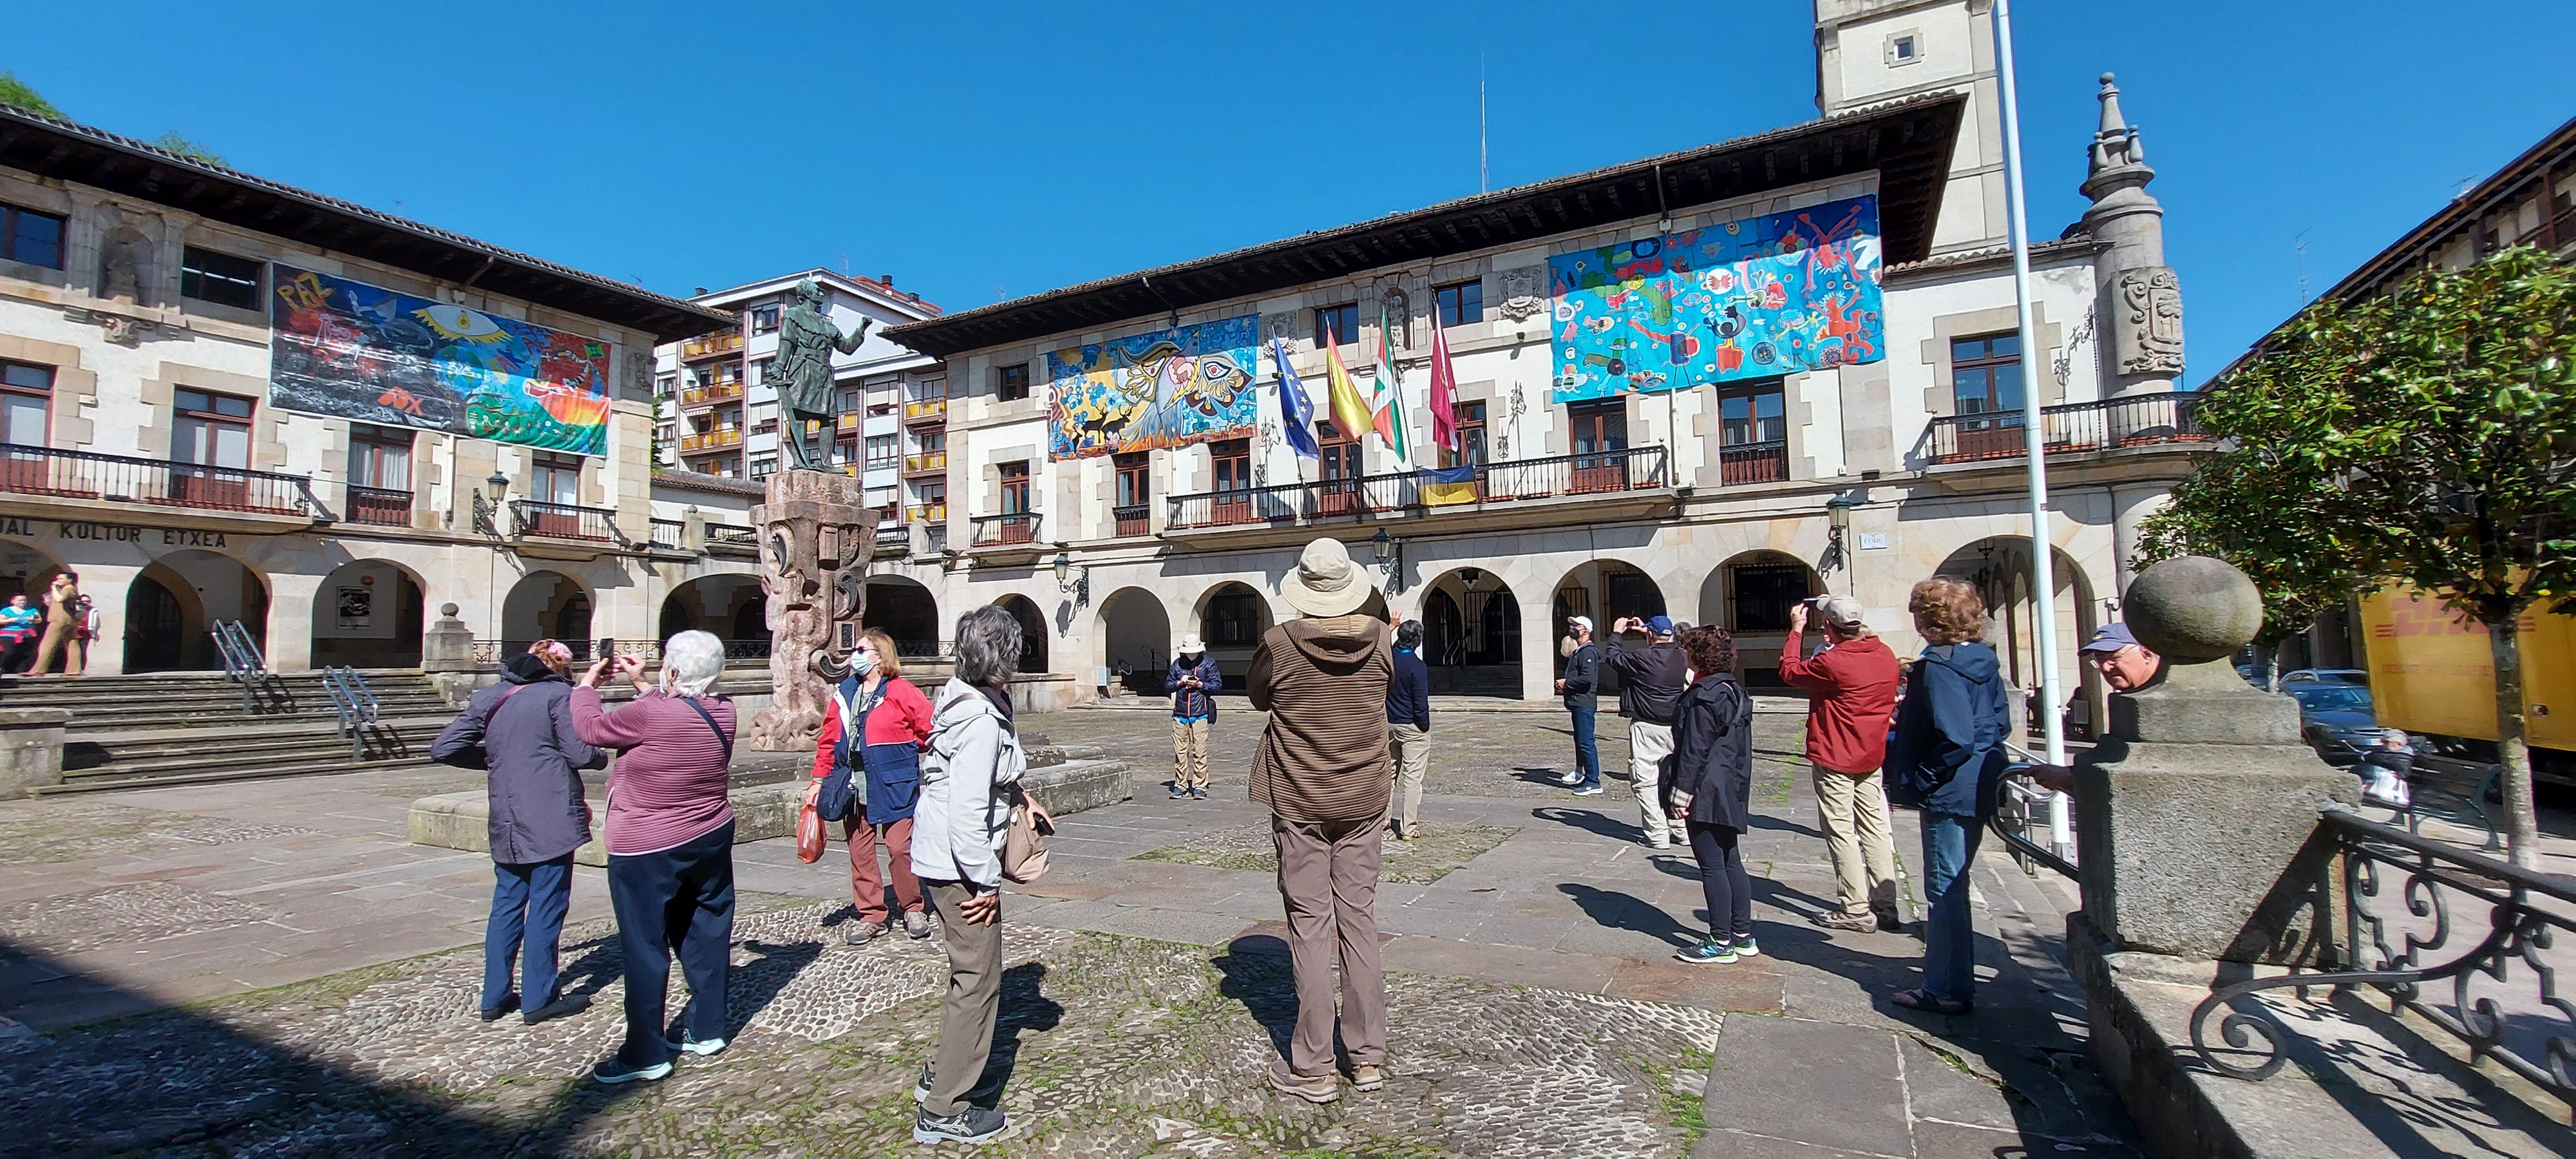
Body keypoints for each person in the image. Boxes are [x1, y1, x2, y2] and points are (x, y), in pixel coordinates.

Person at [1250, 537, 1395, 1104]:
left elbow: (1260, 697)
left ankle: (1312, 1065)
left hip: (1300, 798)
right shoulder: (1382, 640)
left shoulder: (1278, 645)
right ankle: (1367, 1058)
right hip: (1362, 796)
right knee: (1358, 920)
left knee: (1310, 924)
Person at [572, 631, 739, 1085]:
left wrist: (587, 684)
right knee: (706, 929)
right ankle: (706, 1029)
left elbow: (590, 728)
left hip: (648, 843)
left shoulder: (649, 713)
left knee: (644, 945)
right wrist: (644, 682)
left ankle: (645, 1051)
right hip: (708, 832)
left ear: (672, 671)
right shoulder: (723, 710)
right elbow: (680, 710)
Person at [909, 605, 1039, 1146]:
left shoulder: (962, 696)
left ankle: (942, 1074)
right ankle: (944, 1109)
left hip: (938, 858)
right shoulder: (981, 720)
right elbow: (965, 810)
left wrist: (1021, 795)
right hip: (959, 868)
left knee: (969, 978)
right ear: (1004, 655)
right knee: (978, 984)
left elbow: (976, 782)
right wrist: (985, 882)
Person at [455, 639, 603, 1024]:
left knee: (506, 904)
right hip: (550, 814)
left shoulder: (492, 695)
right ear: (562, 668)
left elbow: (446, 747)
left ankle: (494, 997)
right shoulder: (557, 695)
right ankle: (539, 997)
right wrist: (601, 753)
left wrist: (496, 759)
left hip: (506, 816)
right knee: (547, 906)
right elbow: (582, 753)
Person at [1884, 578, 2010, 1016]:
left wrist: (1924, 776)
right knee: (1954, 883)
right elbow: (1999, 724)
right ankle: (1951, 977)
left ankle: (1945, 986)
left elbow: (1955, 738)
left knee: (1945, 888)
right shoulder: (1983, 660)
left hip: (1949, 787)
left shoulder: (1940, 666)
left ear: (1927, 618)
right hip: (1980, 782)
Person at [1780, 596, 1906, 932]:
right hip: (1871, 752)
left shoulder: (1834, 662)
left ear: (1829, 629)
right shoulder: (1885, 655)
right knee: (1875, 828)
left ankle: (1855, 908)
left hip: (1837, 752)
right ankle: (1886, 905)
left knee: (1841, 829)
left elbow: (1790, 671)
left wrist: (1796, 631)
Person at [807, 628, 936, 945]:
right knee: (860, 851)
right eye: (856, 650)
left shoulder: (902, 691)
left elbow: (929, 729)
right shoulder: (844, 693)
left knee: (900, 848)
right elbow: (827, 740)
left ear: (881, 656)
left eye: (863, 650)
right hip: (851, 785)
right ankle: (871, 914)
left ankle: (912, 907)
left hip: (894, 782)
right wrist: (817, 780)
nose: (856, 655)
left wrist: (903, 753)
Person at [1665, 626, 1758, 964]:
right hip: (1730, 783)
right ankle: (1743, 934)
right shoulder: (1733, 689)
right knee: (1731, 859)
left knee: (1712, 866)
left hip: (1706, 786)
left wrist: (1681, 793)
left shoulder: (1704, 695)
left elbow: (1694, 748)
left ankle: (1720, 941)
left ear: (1696, 655)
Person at [1605, 614, 1689, 847]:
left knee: (1645, 781)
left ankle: (1657, 833)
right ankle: (1681, 830)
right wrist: (1649, 632)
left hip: (1646, 725)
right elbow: (1664, 644)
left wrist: (1617, 633)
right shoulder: (1681, 657)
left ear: (1650, 635)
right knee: (1675, 778)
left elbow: (1613, 658)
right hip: (1675, 726)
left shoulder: (1642, 658)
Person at [1385, 617, 1433, 840]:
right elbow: (1421, 702)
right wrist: (1424, 726)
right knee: (1413, 779)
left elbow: (1381, 645)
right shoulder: (1417, 666)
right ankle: (1408, 827)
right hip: (1411, 726)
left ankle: (1383, 821)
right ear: (1418, 641)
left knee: (1389, 776)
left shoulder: (1389, 659)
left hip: (1389, 723)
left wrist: (1391, 627)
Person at [1166, 636, 1220, 800]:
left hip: (1200, 713)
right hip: (1180, 714)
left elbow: (1217, 685)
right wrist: (1179, 682)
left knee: (1199, 752)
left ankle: (1200, 785)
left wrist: (1201, 685)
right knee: (1180, 752)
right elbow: (1167, 685)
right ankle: (1180, 785)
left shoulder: (1208, 663)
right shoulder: (1177, 664)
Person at [1555, 616, 1603, 795]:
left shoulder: (1588, 652)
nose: (1573, 628)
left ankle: (1593, 781)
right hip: (1576, 702)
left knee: (1586, 742)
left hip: (1584, 703)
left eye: (1577, 626)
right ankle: (1581, 773)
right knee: (1580, 740)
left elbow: (1587, 678)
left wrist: (1567, 683)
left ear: (1586, 631)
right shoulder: (1579, 651)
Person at [28, 572, 82, 677]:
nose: (58, 581)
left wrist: (54, 587)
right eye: (57, 579)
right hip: (69, 619)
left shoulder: (68, 588)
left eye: (61, 579)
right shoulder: (69, 589)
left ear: (70, 580)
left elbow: (60, 599)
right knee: (72, 644)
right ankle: (73, 670)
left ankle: (39, 670)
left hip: (60, 620)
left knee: (47, 644)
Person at [2079, 623, 2161, 692]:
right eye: (2100, 660)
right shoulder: (2123, 702)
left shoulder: (2169, 696)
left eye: (2114, 658)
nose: (2105, 668)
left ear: (2146, 654)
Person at [2356, 730, 2415, 807]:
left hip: (2388, 785)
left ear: (2398, 744)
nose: (2383, 744)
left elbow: (2402, 773)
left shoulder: (2402, 756)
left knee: (2386, 775)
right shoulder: (2381, 753)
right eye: (2383, 741)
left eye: (2386, 742)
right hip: (2372, 779)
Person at [0, 592, 41, 674]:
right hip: (9, 634)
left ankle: (21, 670)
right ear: (13, 601)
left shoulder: (32, 610)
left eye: (24, 600)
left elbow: (39, 620)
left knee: (25, 653)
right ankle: (5, 668)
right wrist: (11, 620)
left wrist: (33, 620)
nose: (22, 602)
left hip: (27, 634)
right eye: (20, 600)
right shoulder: (7, 610)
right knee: (9, 652)